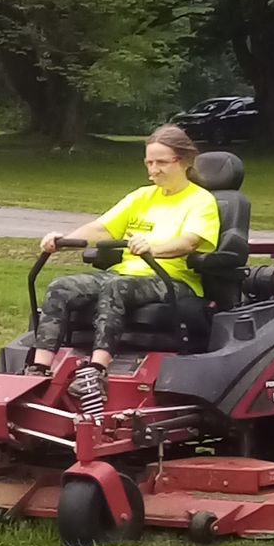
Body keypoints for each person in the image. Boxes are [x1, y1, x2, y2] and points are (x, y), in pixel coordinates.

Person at [29, 126, 221, 377]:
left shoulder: (201, 200)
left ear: (184, 161)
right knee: (61, 286)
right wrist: (63, 240)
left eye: (161, 162)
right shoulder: (142, 196)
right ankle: (39, 368)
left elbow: (189, 242)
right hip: (124, 274)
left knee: (115, 288)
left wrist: (154, 248)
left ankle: (97, 369)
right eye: (149, 162)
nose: (154, 169)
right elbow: (102, 229)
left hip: (172, 279)